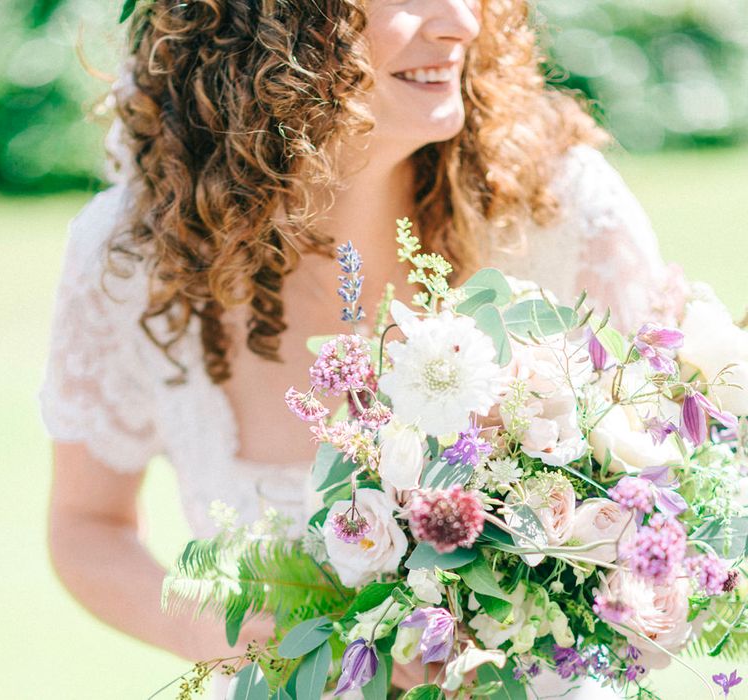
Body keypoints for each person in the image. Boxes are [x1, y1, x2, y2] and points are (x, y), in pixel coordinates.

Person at [38, 1, 683, 697]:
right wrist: (221, 628)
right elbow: (86, 526)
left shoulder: (565, 216)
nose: (461, 22)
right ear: (267, 24)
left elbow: (675, 512)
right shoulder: (138, 259)